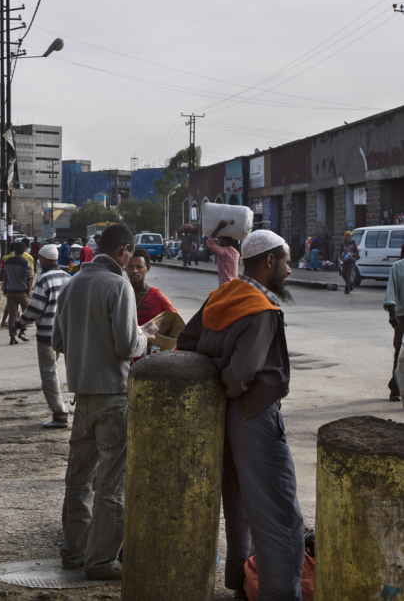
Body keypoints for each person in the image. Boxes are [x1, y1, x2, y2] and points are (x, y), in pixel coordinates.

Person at [177, 230, 304, 600]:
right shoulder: (261, 309)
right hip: (255, 414)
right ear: (269, 261)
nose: (290, 270)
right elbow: (240, 374)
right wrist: (229, 385)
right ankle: (280, 594)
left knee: (239, 503)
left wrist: (218, 387)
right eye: (287, 261)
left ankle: (240, 583)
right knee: (281, 513)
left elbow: (186, 344)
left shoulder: (222, 295)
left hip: (224, 415)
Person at [52, 224, 150, 580]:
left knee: (79, 478)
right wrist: (145, 336)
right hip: (114, 395)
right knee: (111, 483)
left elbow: (58, 341)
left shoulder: (72, 283)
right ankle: (100, 562)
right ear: (125, 250)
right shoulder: (118, 284)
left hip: (83, 395)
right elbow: (127, 346)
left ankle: (75, 553)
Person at [13, 244, 71, 427]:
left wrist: (21, 322)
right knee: (60, 371)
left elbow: (36, 308)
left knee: (49, 373)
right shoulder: (68, 278)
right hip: (66, 333)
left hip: (47, 334)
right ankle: (66, 408)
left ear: (45, 260)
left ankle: (60, 414)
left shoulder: (44, 279)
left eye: (40, 259)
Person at [125, 247, 177, 325]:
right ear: (125, 268)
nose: (134, 270)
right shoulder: (120, 295)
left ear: (147, 268)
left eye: (139, 267)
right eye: (130, 266)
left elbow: (176, 323)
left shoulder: (158, 298)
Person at [2, 242, 34, 346]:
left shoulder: (8, 261)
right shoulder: (25, 262)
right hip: (22, 291)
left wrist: (4, 289)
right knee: (27, 313)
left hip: (11, 292)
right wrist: (28, 291)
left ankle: (12, 337)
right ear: (24, 250)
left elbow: (5, 276)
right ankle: (23, 331)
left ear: (15, 250)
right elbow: (29, 278)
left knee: (13, 315)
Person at [384, 255, 404, 402]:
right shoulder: (398, 267)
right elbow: (391, 290)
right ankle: (395, 388)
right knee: (400, 352)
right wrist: (392, 313)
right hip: (401, 315)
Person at [206, 221, 241, 286]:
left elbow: (210, 241)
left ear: (224, 241)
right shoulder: (236, 252)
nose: (218, 242)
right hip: (234, 283)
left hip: (225, 284)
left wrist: (219, 227)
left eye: (219, 240)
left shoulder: (223, 252)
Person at [337, 230, 360, 294]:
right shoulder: (342, 244)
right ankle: (350, 284)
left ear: (350, 236)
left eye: (349, 235)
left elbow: (357, 253)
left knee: (348, 275)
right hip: (345, 261)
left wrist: (353, 254)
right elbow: (340, 253)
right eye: (346, 235)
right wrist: (341, 258)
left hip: (351, 261)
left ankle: (347, 289)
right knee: (344, 274)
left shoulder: (353, 243)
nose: (347, 237)